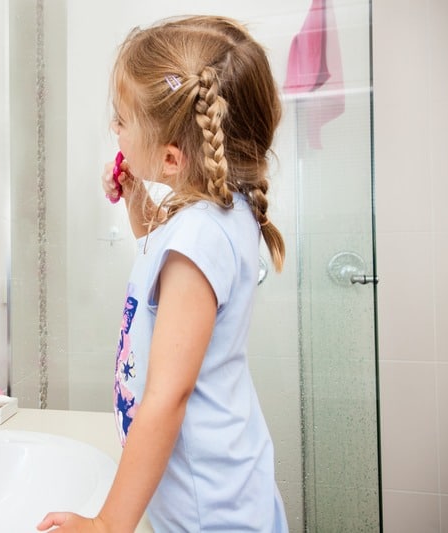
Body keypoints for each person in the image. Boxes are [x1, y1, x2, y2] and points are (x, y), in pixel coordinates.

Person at [37, 15, 288, 533]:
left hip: (213, 513)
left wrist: (110, 523)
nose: (115, 128)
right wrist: (134, 196)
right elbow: (159, 254)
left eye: (122, 119)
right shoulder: (213, 216)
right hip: (220, 489)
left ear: (172, 157)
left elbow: (168, 395)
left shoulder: (201, 234)